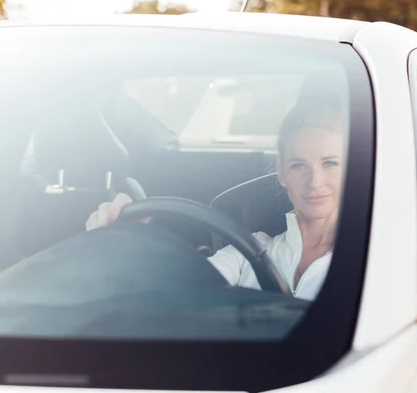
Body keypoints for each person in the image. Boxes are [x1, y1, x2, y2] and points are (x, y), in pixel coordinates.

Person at [86, 103, 346, 300]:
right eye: (299, 165)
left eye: (330, 163)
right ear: (281, 173)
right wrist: (124, 248)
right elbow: (170, 291)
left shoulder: (372, 258)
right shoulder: (248, 249)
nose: (315, 181)